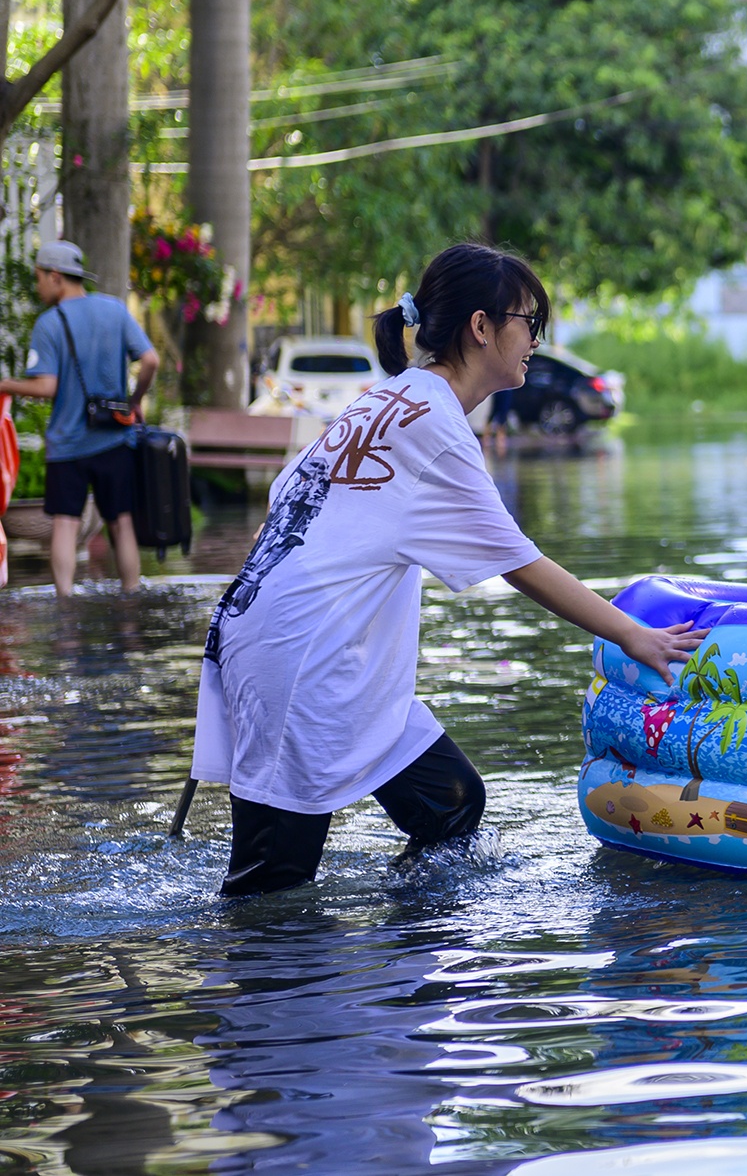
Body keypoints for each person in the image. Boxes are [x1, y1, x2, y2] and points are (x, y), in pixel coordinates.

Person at [192, 244, 705, 897]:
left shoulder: (389, 398)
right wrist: (633, 635)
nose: (537, 341)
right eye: (529, 321)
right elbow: (519, 562)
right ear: (481, 326)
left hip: (287, 638)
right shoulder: (433, 422)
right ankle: (279, 963)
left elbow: (283, 504)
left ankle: (407, 957)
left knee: (451, 805)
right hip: (302, 658)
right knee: (272, 887)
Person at [0, 240, 159, 596]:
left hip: (67, 444)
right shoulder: (115, 310)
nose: (38, 286)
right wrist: (133, 401)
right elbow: (151, 360)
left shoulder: (49, 323)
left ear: (55, 277)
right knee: (121, 522)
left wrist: (5, 384)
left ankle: (65, 602)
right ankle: (131, 596)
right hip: (113, 438)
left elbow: (46, 386)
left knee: (66, 524)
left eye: (39, 277)